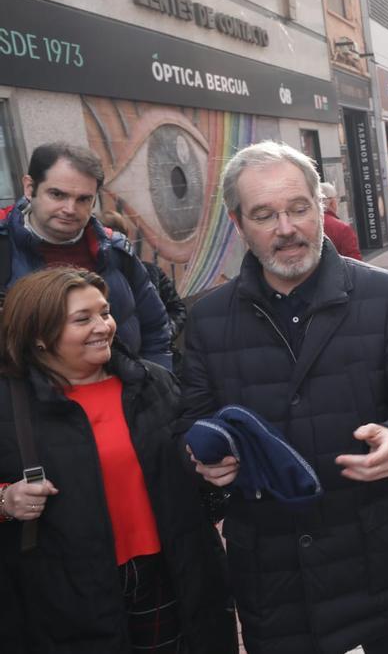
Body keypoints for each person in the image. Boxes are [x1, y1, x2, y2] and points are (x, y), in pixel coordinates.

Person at [183, 140, 388, 654]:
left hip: (378, 547)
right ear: (239, 224)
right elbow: (190, 420)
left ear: (321, 210)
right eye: (264, 215)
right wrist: (202, 458)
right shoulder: (208, 319)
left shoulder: (385, 295)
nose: (286, 228)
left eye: (299, 208)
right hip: (274, 566)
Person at [0, 266, 236, 653]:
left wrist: (215, 470)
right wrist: (5, 502)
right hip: (68, 597)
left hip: (173, 575)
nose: (103, 326)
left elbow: (195, 477)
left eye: (105, 313)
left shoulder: (153, 383)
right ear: (40, 336)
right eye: (83, 319)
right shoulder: (10, 405)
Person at [1, 143, 173, 370]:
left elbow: (156, 328)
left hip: (127, 397)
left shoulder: (116, 251)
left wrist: (153, 388)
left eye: (83, 199)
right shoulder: (5, 250)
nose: (70, 209)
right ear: (29, 187)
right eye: (57, 194)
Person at [97, 210, 188, 369]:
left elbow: (177, 308)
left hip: (156, 365)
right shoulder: (93, 281)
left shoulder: (151, 272)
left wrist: (164, 334)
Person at [317, 182, 363, 260]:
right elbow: (354, 262)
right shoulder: (342, 229)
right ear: (332, 202)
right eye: (337, 199)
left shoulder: (306, 224)